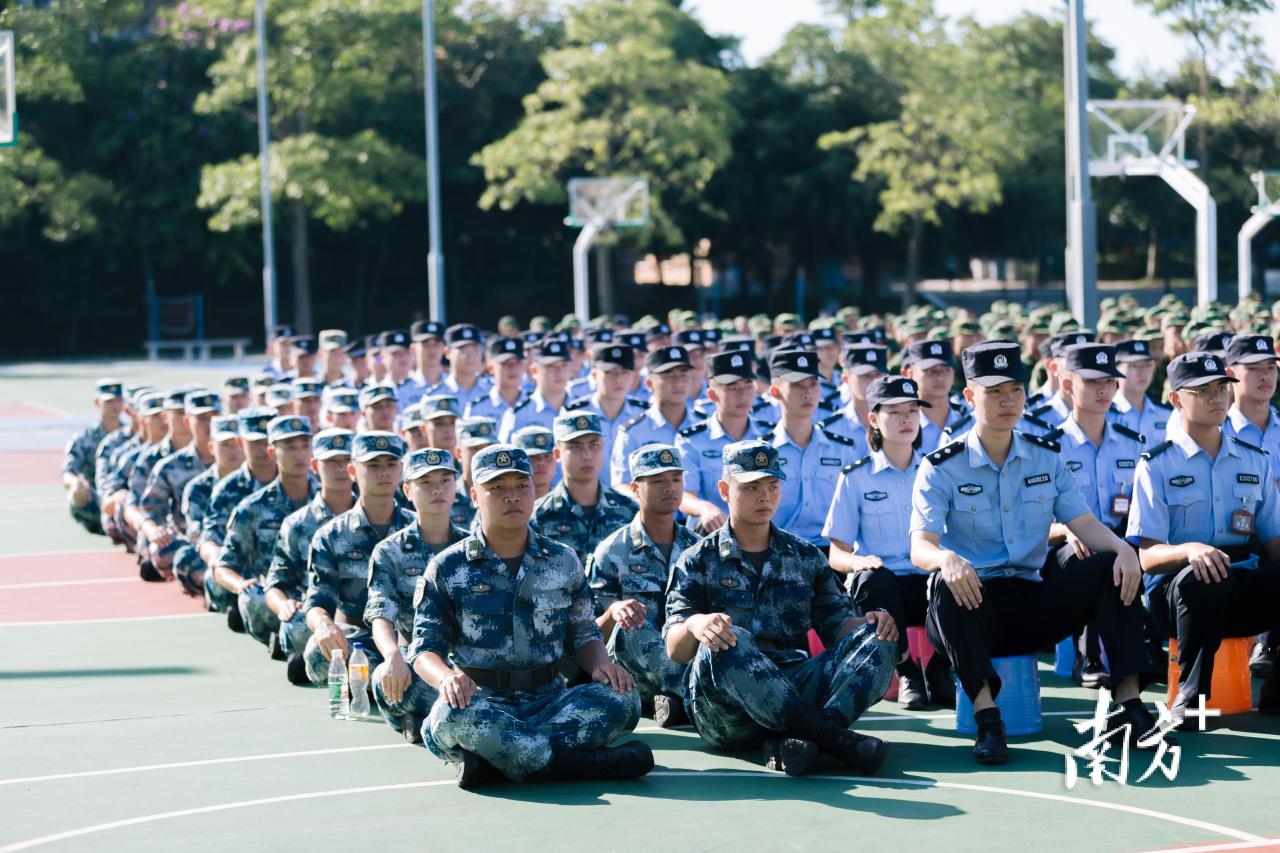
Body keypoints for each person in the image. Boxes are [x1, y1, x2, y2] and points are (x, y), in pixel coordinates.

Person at [910, 340, 1165, 766]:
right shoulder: (941, 465)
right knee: (942, 583)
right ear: (970, 397)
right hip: (974, 609)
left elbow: (1083, 524)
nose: (1008, 401)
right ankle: (988, 718)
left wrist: (1124, 549)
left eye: (1014, 390)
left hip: (1032, 604)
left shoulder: (1044, 458)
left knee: (1109, 567)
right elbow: (920, 546)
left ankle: (1128, 704)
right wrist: (945, 558)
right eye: (994, 392)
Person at [407, 443, 652, 787]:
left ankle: (498, 760)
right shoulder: (447, 567)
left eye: (521, 486)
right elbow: (423, 649)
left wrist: (600, 665)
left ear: (535, 491)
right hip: (481, 702)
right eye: (497, 488)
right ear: (475, 496)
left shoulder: (562, 560)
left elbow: (584, 633)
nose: (512, 497)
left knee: (622, 698)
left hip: (549, 701)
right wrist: (447, 678)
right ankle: (573, 764)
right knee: (450, 717)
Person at [664, 439, 897, 777]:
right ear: (725, 490)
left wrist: (869, 624)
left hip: (795, 687)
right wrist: (696, 624)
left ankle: (808, 737)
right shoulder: (697, 560)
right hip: (728, 713)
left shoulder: (804, 557)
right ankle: (834, 739)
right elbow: (674, 648)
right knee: (729, 640)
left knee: (879, 637)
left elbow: (838, 626)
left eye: (773, 485)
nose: (765, 496)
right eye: (751, 487)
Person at [1127, 351, 1280, 725]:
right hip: (1177, 595)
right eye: (1202, 391)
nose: (1216, 398)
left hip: (1239, 584)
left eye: (1221, 389)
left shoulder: (1254, 460)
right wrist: (1190, 550)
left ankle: (1278, 687)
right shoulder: (1156, 464)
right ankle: (1192, 696)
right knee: (1205, 575)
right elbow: (1147, 556)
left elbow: (1274, 539)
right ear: (1176, 399)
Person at [825, 376, 953, 710]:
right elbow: (836, 552)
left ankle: (941, 670)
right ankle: (908, 670)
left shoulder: (938, 470)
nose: (907, 419)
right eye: (895, 412)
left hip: (929, 581)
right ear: (873, 419)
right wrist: (857, 562)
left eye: (912, 410)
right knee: (871, 579)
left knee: (954, 577)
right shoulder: (856, 477)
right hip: (888, 586)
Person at [1041, 343, 1148, 690]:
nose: (1104, 390)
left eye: (1109, 382)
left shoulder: (1133, 444)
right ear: (1068, 385)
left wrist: (1127, 544)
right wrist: (1064, 531)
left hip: (1123, 542)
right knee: (1093, 556)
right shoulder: (1048, 449)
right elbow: (1034, 521)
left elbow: (1142, 508)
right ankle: (1088, 655)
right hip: (1069, 549)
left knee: (1129, 554)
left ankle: (1135, 661)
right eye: (1092, 382)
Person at [586, 444, 700, 727]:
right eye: (658, 481)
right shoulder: (612, 551)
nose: (669, 487)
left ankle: (675, 700)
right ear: (636, 489)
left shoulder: (696, 549)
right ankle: (694, 698)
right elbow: (586, 636)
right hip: (632, 672)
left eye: (675, 479)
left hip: (687, 660)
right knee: (630, 629)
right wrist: (613, 613)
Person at [368, 447, 468, 741]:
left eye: (445, 480)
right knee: (385, 677)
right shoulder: (390, 551)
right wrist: (391, 655)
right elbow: (380, 614)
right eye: (425, 482)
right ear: (407, 490)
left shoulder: (473, 546)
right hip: (420, 661)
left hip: (471, 662)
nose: (437, 489)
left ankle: (435, 718)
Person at [302, 431, 415, 685]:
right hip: (358, 639)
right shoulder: (331, 535)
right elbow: (317, 599)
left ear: (402, 470)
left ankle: (382, 685)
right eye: (373, 465)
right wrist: (323, 624)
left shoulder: (417, 528)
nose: (383, 473)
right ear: (352, 470)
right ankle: (385, 685)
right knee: (318, 655)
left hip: (411, 639)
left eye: (391, 464)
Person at [217, 416, 319, 645]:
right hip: (279, 598)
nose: (299, 454)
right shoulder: (252, 508)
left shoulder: (329, 498)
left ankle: (291, 644)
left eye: (305, 446)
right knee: (251, 598)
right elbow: (223, 565)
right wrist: (240, 584)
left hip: (324, 598)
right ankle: (284, 639)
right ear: (272, 453)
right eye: (290, 447)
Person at [265, 428, 355, 683]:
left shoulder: (375, 514)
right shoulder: (297, 524)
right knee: (294, 624)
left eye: (346, 461)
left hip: (364, 616)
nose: (340, 468)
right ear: (316, 466)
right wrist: (283, 604)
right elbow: (275, 583)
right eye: (332, 462)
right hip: (318, 614)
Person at [766, 349, 860, 546]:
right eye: (797, 385)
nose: (807, 392)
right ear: (775, 391)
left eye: (813, 384)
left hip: (832, 551)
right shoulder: (763, 451)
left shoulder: (842, 450)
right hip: (778, 551)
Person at [201, 408, 279, 622]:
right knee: (216, 575)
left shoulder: (296, 484)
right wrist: (232, 578)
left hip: (288, 575)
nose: (263, 449)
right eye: (255, 443)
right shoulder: (228, 489)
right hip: (246, 573)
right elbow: (211, 538)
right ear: (240, 443)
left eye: (268, 442)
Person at [677, 350, 765, 534]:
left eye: (748, 385)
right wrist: (704, 508)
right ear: (712, 394)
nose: (742, 394)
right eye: (732, 387)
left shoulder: (768, 436)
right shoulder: (692, 440)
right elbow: (684, 495)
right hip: (712, 535)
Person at [530, 413, 638, 562]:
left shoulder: (630, 512)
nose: (587, 455)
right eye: (575, 446)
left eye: (594, 445)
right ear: (557, 454)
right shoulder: (538, 516)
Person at [136, 390, 219, 582]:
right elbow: (151, 511)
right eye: (202, 418)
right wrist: (158, 531)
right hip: (190, 540)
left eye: (214, 417)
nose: (209, 425)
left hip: (232, 543)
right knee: (165, 550)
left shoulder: (239, 460)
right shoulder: (170, 466)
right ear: (188, 421)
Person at [173, 415, 243, 597]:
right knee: (186, 560)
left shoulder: (258, 482)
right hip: (215, 553)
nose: (232, 451)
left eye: (236, 444)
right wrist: (218, 559)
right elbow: (197, 534)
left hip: (251, 553)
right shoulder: (198, 488)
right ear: (212, 447)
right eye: (225, 445)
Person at [563, 343, 645, 488]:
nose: (618, 379)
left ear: (633, 376)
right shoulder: (574, 414)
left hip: (634, 500)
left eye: (625, 372)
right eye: (611, 372)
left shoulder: (644, 414)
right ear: (594, 375)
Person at [610, 346, 696, 484]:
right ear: (649, 384)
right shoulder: (633, 432)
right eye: (669, 376)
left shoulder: (705, 427)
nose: (679, 382)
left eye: (684, 375)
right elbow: (622, 485)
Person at [63, 379, 125, 535]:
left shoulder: (131, 436)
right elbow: (68, 472)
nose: (115, 406)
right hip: (97, 499)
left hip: (124, 498)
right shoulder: (83, 439)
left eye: (118, 400)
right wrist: (75, 483)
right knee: (77, 494)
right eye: (109, 401)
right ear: (98, 402)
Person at [901, 341, 972, 453]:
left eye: (946, 369)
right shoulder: (901, 425)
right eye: (929, 370)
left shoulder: (971, 419)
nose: (939, 376)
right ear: (908, 375)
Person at [498, 339, 572, 443]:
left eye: (563, 365)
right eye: (551, 366)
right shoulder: (518, 415)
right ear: (534, 371)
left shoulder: (584, 410)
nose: (559, 371)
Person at [1112, 339, 1172, 446]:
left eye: (1148, 364)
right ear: (1116, 370)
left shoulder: (1166, 414)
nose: (1142, 371)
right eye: (1134, 365)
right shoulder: (1104, 414)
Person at [466, 337, 529, 423]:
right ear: (491, 368)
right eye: (506, 364)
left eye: (518, 363)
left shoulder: (533, 406)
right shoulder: (478, 409)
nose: (513, 369)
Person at [437, 323, 492, 412]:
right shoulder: (438, 394)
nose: (471, 356)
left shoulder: (493, 391)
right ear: (447, 352)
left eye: (475, 350)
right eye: (463, 350)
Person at [513, 425, 558, 500]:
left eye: (547, 456)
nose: (541, 462)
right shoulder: (507, 504)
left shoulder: (569, 503)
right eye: (532, 457)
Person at [410, 320, 447, 390]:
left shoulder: (455, 386)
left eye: (436, 344)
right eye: (426, 344)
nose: (432, 350)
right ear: (413, 349)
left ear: (444, 347)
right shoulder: (403, 390)